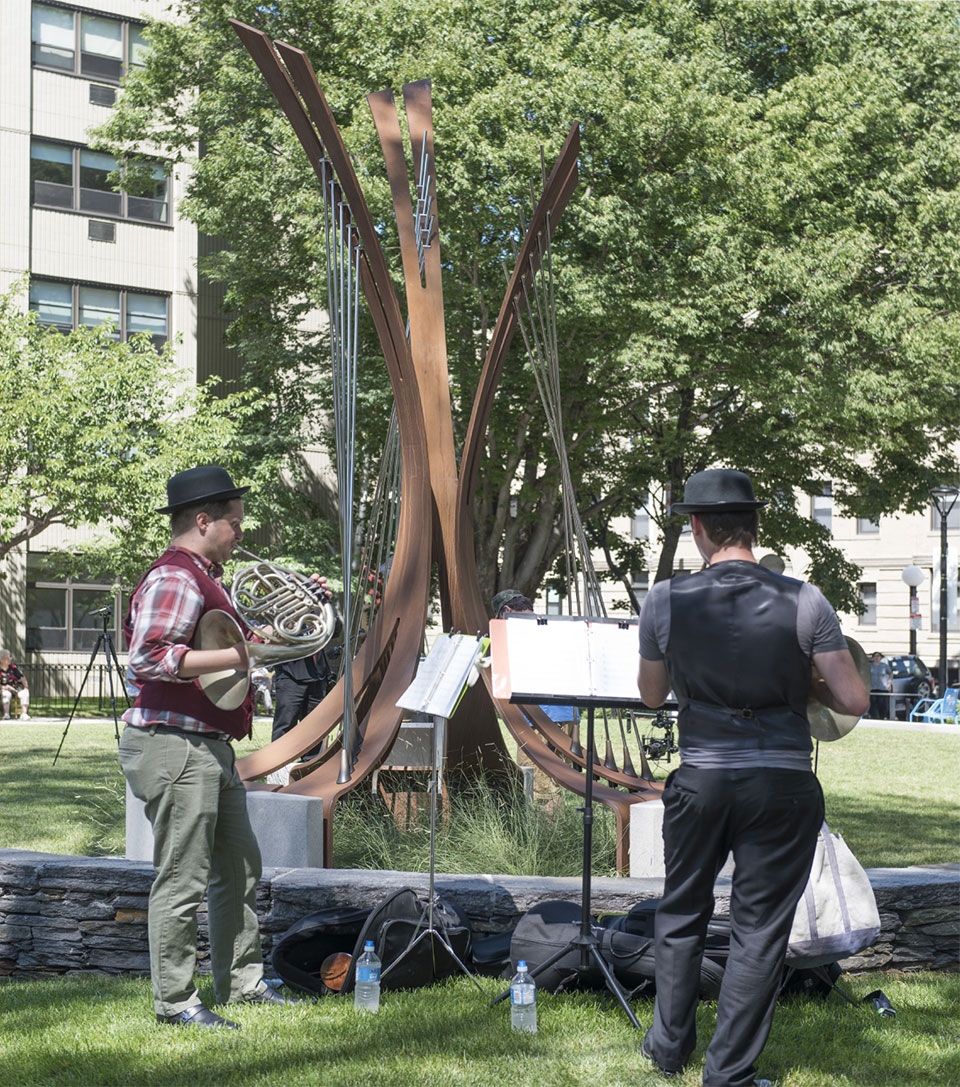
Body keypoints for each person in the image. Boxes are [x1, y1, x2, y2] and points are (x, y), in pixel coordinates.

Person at [637, 469, 868, 1087]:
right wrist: (808, 680)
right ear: (754, 527)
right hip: (782, 782)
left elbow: (652, 694)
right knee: (759, 928)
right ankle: (729, 1073)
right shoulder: (807, 600)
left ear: (697, 529)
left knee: (681, 910)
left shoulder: (663, 599)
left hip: (703, 779)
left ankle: (667, 1048)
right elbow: (853, 699)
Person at [118, 465, 305, 1030]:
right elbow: (148, 657)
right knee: (183, 876)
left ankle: (241, 984)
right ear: (204, 521)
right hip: (172, 743)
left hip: (205, 746)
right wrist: (242, 656)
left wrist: (257, 645)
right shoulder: (175, 576)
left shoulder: (206, 575)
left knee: (239, 868)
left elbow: (218, 649)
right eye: (235, 522)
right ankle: (175, 1002)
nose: (240, 533)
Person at [491, 589, 580, 728]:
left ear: (506, 610)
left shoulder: (519, 632)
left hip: (536, 717)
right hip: (568, 714)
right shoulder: (553, 627)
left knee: (532, 751)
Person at [271, 649, 334, 747]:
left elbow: (334, 634)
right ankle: (278, 759)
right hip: (290, 673)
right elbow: (268, 639)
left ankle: (313, 760)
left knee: (314, 725)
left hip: (317, 673)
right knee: (286, 722)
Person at [0, 649, 30, 720]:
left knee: (24, 693)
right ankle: (6, 714)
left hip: (16, 688)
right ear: (1, 660)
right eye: (7, 658)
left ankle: (24, 714)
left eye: (10, 657)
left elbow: (22, 677)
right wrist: (3, 687)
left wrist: (26, 687)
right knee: (6, 694)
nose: (9, 659)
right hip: (4, 689)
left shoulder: (13, 668)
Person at [869, 652, 893, 720]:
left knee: (882, 704)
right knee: (873, 705)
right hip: (873, 688)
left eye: (878, 656)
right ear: (873, 657)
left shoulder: (884, 666)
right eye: (875, 656)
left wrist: (889, 682)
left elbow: (891, 673)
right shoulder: (870, 666)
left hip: (883, 688)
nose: (877, 658)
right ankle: (874, 718)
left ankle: (882, 717)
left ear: (880, 658)